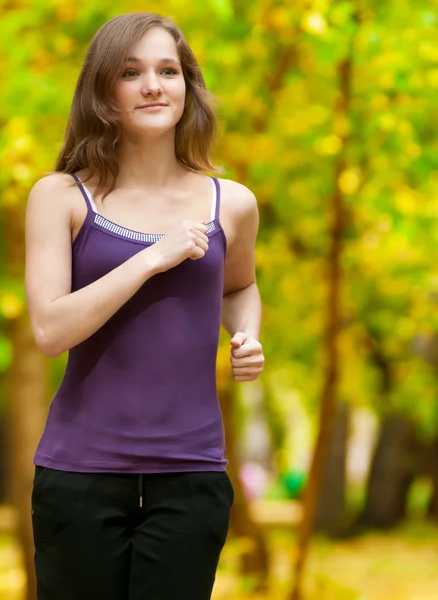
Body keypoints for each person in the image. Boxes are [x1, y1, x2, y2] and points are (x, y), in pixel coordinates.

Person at [24, 11, 264, 600]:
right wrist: (150, 258)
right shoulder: (61, 197)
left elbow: (239, 287)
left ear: (189, 86)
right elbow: (51, 329)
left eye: (168, 70)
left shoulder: (230, 203)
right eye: (131, 72)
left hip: (191, 478)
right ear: (103, 89)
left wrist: (248, 334)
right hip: (78, 477)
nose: (154, 85)